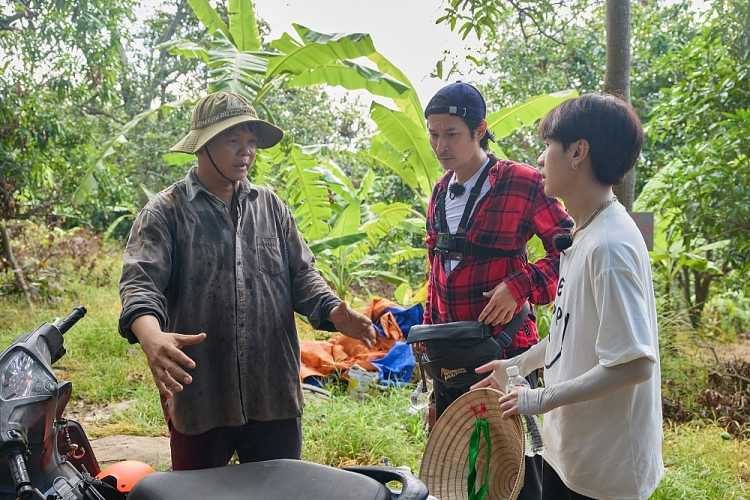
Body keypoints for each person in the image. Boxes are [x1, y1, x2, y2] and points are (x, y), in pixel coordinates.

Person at [118, 91, 376, 471]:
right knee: (199, 496)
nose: (246, 152)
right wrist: (151, 336)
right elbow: (140, 282)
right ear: (203, 146)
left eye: (252, 142)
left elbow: (303, 275)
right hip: (202, 392)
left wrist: (336, 312)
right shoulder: (167, 211)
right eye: (232, 140)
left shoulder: (270, 206)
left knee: (279, 491)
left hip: (271, 389)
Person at [474, 93, 664, 499]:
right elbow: (570, 331)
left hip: (605, 472)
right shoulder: (586, 233)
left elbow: (632, 364)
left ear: (578, 152)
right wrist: (517, 363)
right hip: (572, 453)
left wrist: (538, 398)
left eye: (548, 147)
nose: (541, 160)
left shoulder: (609, 246)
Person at [420, 81, 573, 499]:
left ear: (480, 129)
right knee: (462, 469)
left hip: (506, 352)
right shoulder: (439, 193)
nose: (440, 145)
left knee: (518, 466)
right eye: (433, 133)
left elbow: (571, 249)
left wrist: (520, 285)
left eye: (451, 133)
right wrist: (428, 348)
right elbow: (437, 273)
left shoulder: (521, 182)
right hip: (452, 355)